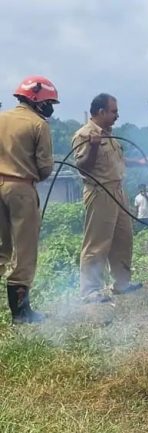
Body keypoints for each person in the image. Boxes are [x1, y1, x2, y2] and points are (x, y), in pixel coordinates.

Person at [73, 93, 146, 303]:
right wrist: (94, 146)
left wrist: (138, 162)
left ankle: (122, 284)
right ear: (101, 111)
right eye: (113, 111)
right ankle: (90, 291)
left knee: (124, 238)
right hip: (99, 192)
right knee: (97, 242)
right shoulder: (84, 134)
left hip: (118, 191)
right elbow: (83, 167)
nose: (117, 115)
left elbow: (118, 161)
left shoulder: (109, 134)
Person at [0, 76, 58, 323]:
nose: (50, 108)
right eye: (48, 102)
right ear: (36, 99)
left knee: (1, 250)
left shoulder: (2, 118)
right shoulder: (38, 125)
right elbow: (44, 169)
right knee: (24, 251)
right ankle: (21, 313)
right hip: (21, 189)